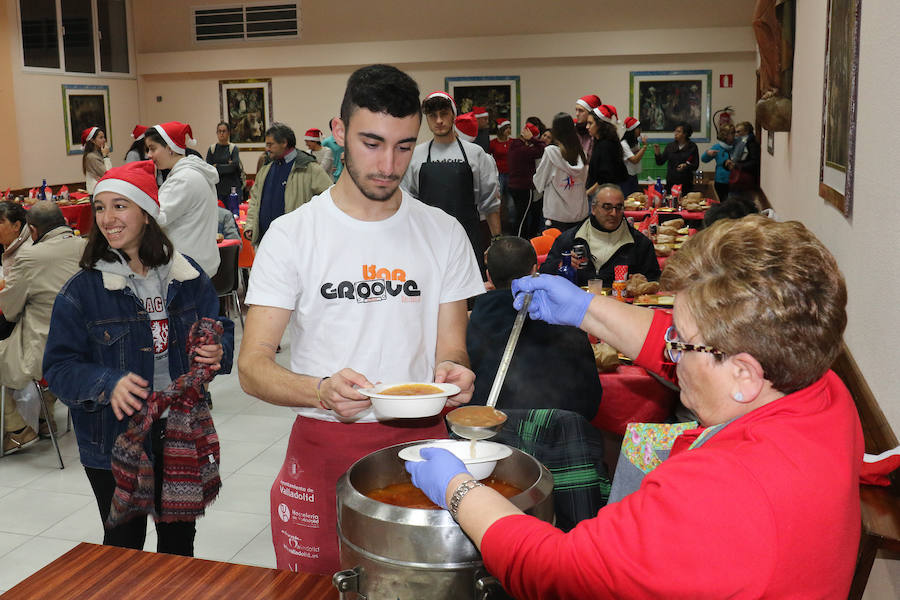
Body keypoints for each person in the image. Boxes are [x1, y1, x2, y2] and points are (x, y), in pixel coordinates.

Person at [407, 214, 863, 599]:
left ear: (744, 374)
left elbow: (556, 570)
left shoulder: (717, 493)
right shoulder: (821, 387)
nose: (671, 353)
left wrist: (459, 490)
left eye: (681, 342)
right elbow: (691, 350)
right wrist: (586, 309)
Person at [237, 64, 485, 575]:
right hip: (324, 438)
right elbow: (252, 367)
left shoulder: (443, 233)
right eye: (372, 143)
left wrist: (455, 370)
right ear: (339, 131)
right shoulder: (292, 235)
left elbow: (451, 347)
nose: (388, 165)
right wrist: (319, 390)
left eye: (403, 146)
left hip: (421, 448)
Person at [43, 161, 234, 556]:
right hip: (113, 438)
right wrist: (107, 383)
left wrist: (219, 349)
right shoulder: (82, 291)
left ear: (146, 213)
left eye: (120, 206)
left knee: (178, 543)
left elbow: (220, 326)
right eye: (100, 207)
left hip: (179, 431)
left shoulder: (187, 276)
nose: (107, 219)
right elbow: (59, 369)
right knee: (123, 547)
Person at [467, 236, 601, 420]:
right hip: (558, 428)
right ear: (534, 270)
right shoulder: (562, 313)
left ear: (488, 276)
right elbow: (591, 396)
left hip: (487, 428)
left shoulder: (474, 321)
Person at [1, 202, 85, 453]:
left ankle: (17, 429)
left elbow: (11, 309)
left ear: (32, 230)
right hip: (85, 343)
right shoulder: (86, 246)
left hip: (46, 346)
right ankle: (45, 412)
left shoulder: (30, 256)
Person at [402, 92, 501, 271]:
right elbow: (408, 201)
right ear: (427, 119)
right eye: (433, 116)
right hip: (429, 241)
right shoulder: (416, 156)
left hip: (468, 237)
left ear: (453, 115)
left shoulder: (475, 154)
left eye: (444, 114)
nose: (439, 120)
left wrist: (497, 239)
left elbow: (490, 202)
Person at [540, 184, 660, 286]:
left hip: (621, 305)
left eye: (619, 208)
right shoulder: (569, 239)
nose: (614, 213)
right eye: (607, 207)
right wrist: (560, 265)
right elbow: (543, 272)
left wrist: (641, 284)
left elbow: (654, 282)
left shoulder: (641, 244)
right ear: (593, 209)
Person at [144, 122, 221, 277]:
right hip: (199, 263)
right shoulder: (193, 173)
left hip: (187, 266)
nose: (149, 155)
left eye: (153, 148)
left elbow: (156, 218)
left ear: (170, 148)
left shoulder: (183, 179)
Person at [243, 123, 333, 247]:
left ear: (284, 143)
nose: (267, 149)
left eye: (270, 144)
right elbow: (254, 200)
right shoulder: (265, 169)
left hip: (297, 245)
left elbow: (330, 200)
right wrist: (250, 226)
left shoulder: (309, 168)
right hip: (265, 243)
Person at [533, 112, 588, 232]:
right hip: (579, 214)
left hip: (557, 215)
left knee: (557, 244)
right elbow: (584, 181)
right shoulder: (581, 153)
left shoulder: (551, 153)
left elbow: (539, 182)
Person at [507, 122, 546, 239]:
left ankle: (519, 240)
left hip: (513, 186)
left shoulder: (513, 145)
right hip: (524, 188)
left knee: (519, 216)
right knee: (522, 219)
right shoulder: (525, 150)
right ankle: (519, 242)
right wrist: (533, 139)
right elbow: (543, 148)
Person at [585, 105, 628, 194]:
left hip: (605, 193)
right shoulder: (600, 142)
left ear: (600, 125)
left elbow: (605, 178)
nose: (587, 127)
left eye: (590, 123)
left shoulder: (606, 145)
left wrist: (587, 193)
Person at [653, 121, 699, 193]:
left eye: (679, 131)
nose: (675, 133)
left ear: (685, 134)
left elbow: (695, 165)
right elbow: (660, 162)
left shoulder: (692, 147)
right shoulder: (670, 146)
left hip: (686, 183)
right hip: (671, 182)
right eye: (675, 131)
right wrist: (657, 153)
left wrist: (685, 166)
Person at [205, 121, 244, 203]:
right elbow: (208, 169)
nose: (221, 133)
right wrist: (227, 165)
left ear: (228, 133)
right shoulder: (212, 149)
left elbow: (233, 167)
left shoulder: (233, 148)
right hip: (217, 189)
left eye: (224, 131)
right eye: (219, 131)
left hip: (232, 189)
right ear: (217, 133)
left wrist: (217, 166)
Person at [488, 118, 513, 233]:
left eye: (510, 128)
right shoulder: (493, 143)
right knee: (498, 201)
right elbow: (488, 158)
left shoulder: (513, 142)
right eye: (507, 128)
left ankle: (511, 226)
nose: (509, 130)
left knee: (511, 203)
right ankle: (498, 227)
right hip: (499, 175)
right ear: (501, 129)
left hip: (511, 175)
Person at [701, 123, 735, 201]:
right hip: (721, 180)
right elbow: (704, 159)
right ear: (725, 135)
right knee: (722, 202)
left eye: (734, 132)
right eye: (732, 133)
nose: (734, 135)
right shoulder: (717, 147)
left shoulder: (737, 145)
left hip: (736, 180)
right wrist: (708, 153)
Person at [726, 121, 761, 191]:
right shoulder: (740, 142)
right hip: (740, 173)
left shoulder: (751, 144)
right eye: (735, 132)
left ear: (746, 132)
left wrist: (737, 165)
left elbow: (754, 162)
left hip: (746, 175)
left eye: (738, 132)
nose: (736, 134)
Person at [620, 117, 648, 197]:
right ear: (632, 130)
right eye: (638, 128)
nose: (640, 130)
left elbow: (638, 157)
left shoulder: (636, 142)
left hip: (634, 175)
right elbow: (634, 160)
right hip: (625, 177)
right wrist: (644, 147)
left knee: (635, 199)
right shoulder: (623, 144)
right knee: (627, 200)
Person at [81, 127, 112, 194]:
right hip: (97, 193)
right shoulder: (91, 156)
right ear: (92, 140)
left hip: (101, 191)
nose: (104, 140)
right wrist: (106, 156)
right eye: (101, 138)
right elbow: (108, 174)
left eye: (104, 137)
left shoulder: (99, 153)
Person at [574, 94, 602, 162]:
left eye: (581, 111)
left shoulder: (598, 134)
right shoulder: (574, 131)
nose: (577, 114)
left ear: (590, 113)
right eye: (576, 110)